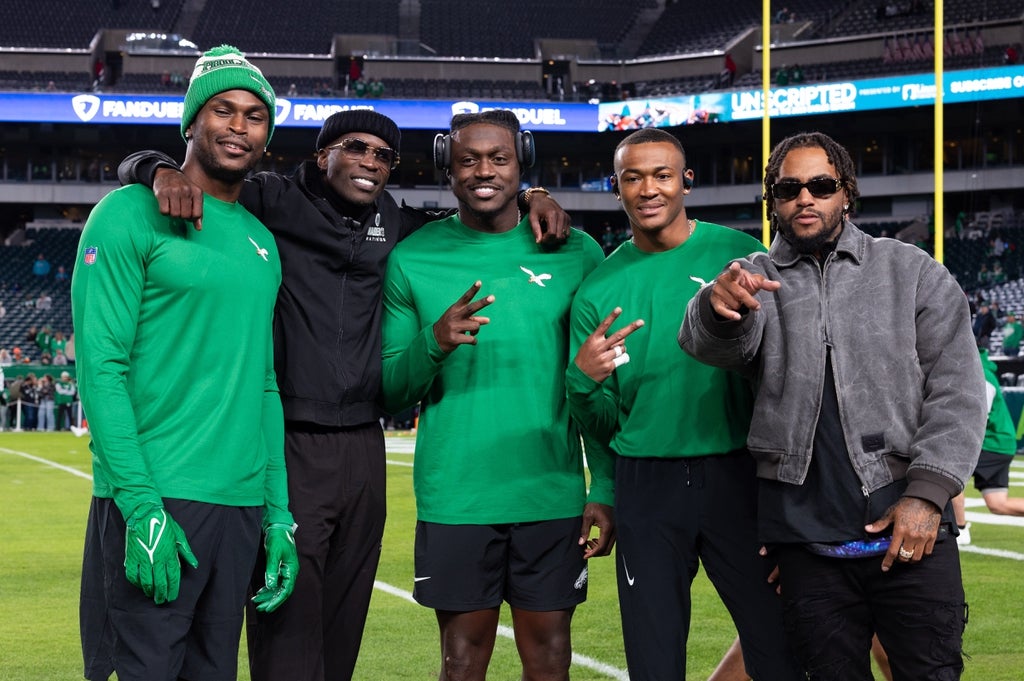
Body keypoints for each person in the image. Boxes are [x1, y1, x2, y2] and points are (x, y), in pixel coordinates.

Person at [117, 111, 570, 681]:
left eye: (383, 155)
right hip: (290, 439)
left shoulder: (396, 221)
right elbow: (188, 174)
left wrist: (532, 193)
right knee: (287, 621)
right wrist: (156, 169)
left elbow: (478, 206)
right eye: (356, 147)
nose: (370, 162)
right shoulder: (271, 199)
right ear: (321, 154)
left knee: (345, 622)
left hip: (362, 444)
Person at [679, 131, 987, 680]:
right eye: (788, 188)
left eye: (821, 185)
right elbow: (713, 346)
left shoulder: (911, 270)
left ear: (846, 192)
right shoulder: (752, 276)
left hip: (911, 527)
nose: (805, 197)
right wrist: (715, 307)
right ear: (772, 200)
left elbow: (958, 391)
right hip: (805, 543)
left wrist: (927, 495)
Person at [73, 45, 298, 681]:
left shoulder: (261, 240)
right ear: (191, 120)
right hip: (157, 497)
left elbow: (263, 385)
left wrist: (278, 515)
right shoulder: (126, 213)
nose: (239, 126)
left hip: (240, 507)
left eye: (255, 115)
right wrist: (140, 505)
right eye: (223, 110)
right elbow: (102, 369)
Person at [380, 109, 614, 681]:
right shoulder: (412, 256)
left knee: (551, 661)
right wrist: (434, 342)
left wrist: (605, 485)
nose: (483, 171)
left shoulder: (577, 251)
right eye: (468, 159)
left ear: (521, 163)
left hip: (551, 494)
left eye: (498, 158)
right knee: (461, 662)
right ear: (447, 167)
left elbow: (600, 382)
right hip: (457, 497)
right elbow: (390, 389)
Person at [566, 128, 801, 681]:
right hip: (647, 485)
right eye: (633, 177)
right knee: (654, 659)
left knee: (781, 647)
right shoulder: (598, 290)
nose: (648, 189)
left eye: (662, 175)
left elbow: (786, 371)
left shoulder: (740, 255)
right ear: (616, 188)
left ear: (686, 182)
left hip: (739, 478)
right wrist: (582, 383)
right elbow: (601, 420)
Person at [953, 347, 1024, 545]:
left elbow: (977, 418)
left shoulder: (981, 375)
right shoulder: (978, 370)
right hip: (998, 443)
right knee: (998, 504)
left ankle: (960, 530)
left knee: (948, 471)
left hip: (992, 442)